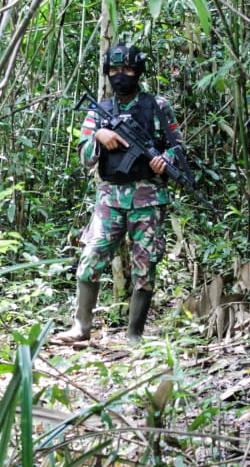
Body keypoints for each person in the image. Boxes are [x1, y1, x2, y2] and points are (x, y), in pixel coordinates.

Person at [55, 42, 185, 345]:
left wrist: (165, 160)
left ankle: (134, 335)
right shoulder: (98, 111)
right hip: (109, 199)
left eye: (127, 69)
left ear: (137, 71)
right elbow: (85, 156)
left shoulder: (158, 107)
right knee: (91, 258)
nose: (121, 75)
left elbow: (177, 147)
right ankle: (81, 327)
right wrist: (99, 136)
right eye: (114, 70)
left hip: (148, 198)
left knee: (145, 265)